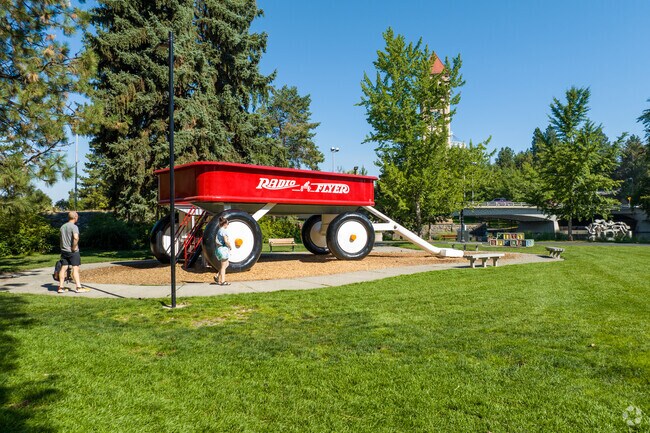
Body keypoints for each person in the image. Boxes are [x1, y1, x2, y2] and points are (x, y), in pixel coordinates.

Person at [58, 211, 89, 293]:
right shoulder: (74, 227)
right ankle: (78, 287)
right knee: (75, 268)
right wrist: (74, 247)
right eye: (77, 216)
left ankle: (61, 287)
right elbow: (76, 238)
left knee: (64, 267)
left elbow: (61, 239)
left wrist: (63, 248)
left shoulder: (62, 227)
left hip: (64, 250)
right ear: (75, 217)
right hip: (72, 251)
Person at [214, 216, 232, 286]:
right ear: (224, 224)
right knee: (223, 266)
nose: (228, 225)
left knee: (226, 264)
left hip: (219, 249)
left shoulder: (219, 230)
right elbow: (226, 241)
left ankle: (217, 276)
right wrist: (230, 246)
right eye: (227, 223)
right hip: (223, 249)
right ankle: (223, 281)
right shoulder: (224, 231)